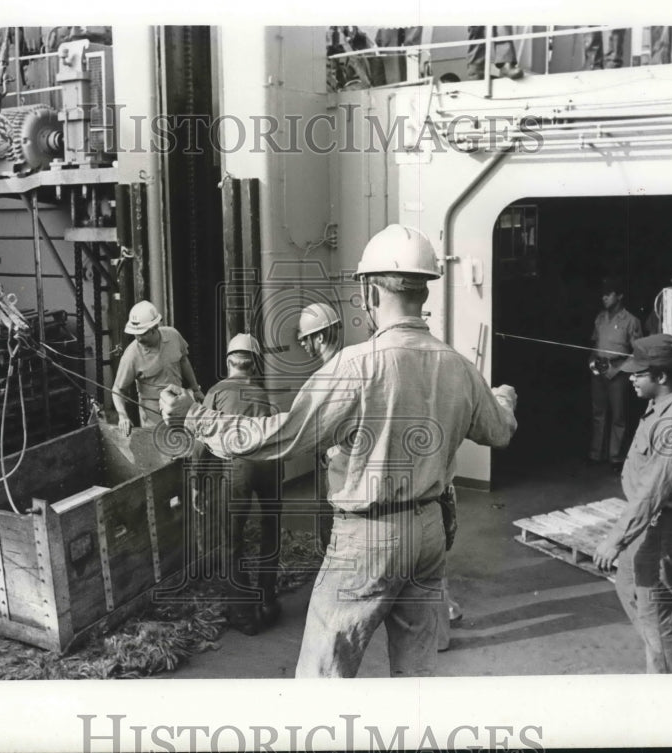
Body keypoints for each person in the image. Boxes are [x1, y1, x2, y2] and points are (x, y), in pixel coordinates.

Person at [161, 224, 518, 678]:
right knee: (417, 678)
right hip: (429, 531)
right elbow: (500, 431)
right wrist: (503, 396)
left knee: (322, 678)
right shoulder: (458, 365)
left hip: (369, 538)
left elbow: (280, 438)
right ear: (424, 291)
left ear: (369, 292)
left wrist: (196, 416)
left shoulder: (356, 366)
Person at [593, 334, 672, 674]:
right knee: (631, 588)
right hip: (653, 526)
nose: (630, 377)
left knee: (656, 613)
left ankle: (670, 691)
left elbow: (651, 493)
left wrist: (615, 539)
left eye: (638, 373)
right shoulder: (663, 403)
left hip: (661, 527)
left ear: (660, 377)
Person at [190, 333, 281, 636]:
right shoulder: (264, 395)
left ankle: (244, 616)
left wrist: (196, 482)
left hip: (239, 466)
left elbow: (202, 441)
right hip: (270, 465)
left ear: (229, 362)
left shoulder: (216, 392)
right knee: (271, 531)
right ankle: (268, 602)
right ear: (253, 365)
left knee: (232, 541)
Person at [112, 299, 202, 431]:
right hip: (152, 412)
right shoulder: (131, 355)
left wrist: (195, 389)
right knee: (158, 447)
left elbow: (184, 361)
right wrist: (122, 416)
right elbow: (117, 389)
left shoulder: (173, 336)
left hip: (180, 402)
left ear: (154, 328)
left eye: (142, 333)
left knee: (186, 442)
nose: (138, 338)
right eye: (135, 334)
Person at [296, 302, 344, 552]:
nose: (302, 345)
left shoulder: (326, 378)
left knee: (331, 532)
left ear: (321, 337)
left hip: (335, 465)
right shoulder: (354, 365)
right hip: (348, 464)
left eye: (305, 339)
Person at [589, 277, 642, 470]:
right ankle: (596, 454)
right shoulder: (600, 318)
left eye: (608, 294)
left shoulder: (631, 321)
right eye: (603, 294)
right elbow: (594, 344)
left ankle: (615, 456)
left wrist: (619, 369)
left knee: (618, 416)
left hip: (619, 372)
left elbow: (637, 353)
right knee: (598, 413)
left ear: (619, 296)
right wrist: (592, 361)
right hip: (599, 368)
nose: (604, 297)